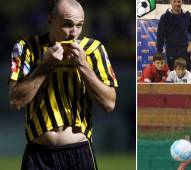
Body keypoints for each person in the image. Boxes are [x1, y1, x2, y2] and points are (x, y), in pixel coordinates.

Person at [8, 0, 118, 169]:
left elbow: (109, 104)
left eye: (79, 25)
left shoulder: (94, 49)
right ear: (51, 21)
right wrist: (45, 66)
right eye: (67, 25)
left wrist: (83, 65)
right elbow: (16, 101)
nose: (74, 33)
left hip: (79, 153)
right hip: (39, 155)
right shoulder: (26, 48)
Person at [156, 0, 191, 70]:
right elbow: (160, 35)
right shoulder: (164, 17)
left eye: (179, 1)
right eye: (175, 1)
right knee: (173, 72)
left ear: (182, 2)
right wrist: (159, 51)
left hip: (184, 50)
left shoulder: (187, 14)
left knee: (186, 71)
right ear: (170, 2)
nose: (177, 4)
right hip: (171, 50)